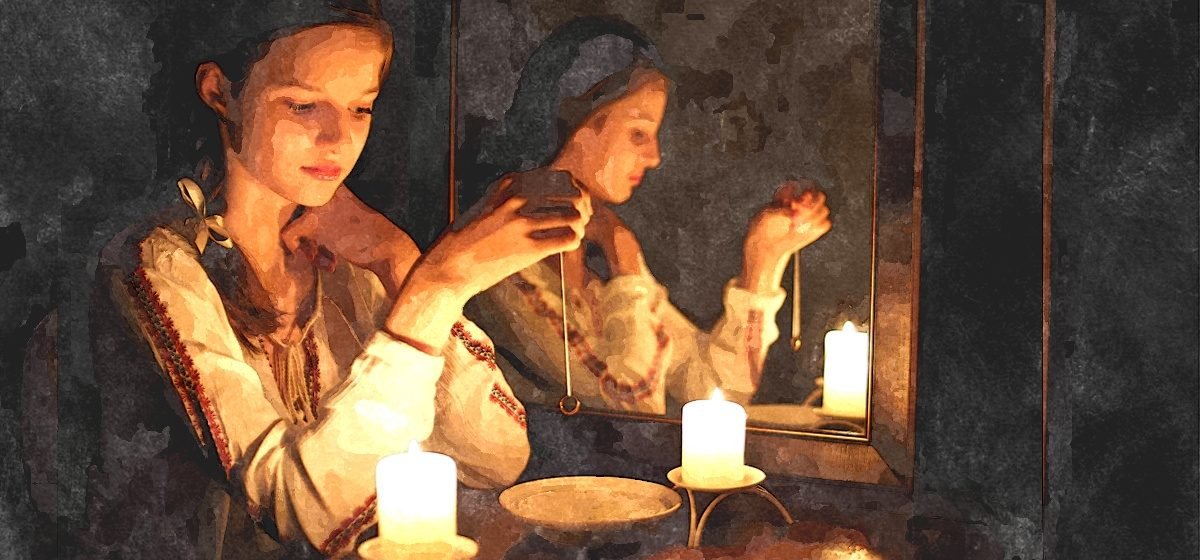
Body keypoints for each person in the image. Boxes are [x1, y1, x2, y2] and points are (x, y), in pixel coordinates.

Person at [85, 2, 589, 557]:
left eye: (360, 108)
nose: (337, 138)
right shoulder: (157, 265)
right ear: (220, 92)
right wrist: (434, 289)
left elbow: (495, 460)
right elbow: (304, 513)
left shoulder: (349, 257)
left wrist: (400, 263)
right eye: (303, 105)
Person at [465, 17, 832, 415]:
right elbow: (636, 412)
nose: (655, 157)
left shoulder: (597, 256)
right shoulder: (505, 268)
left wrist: (764, 257)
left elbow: (714, 390)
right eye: (638, 134)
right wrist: (625, 261)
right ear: (577, 125)